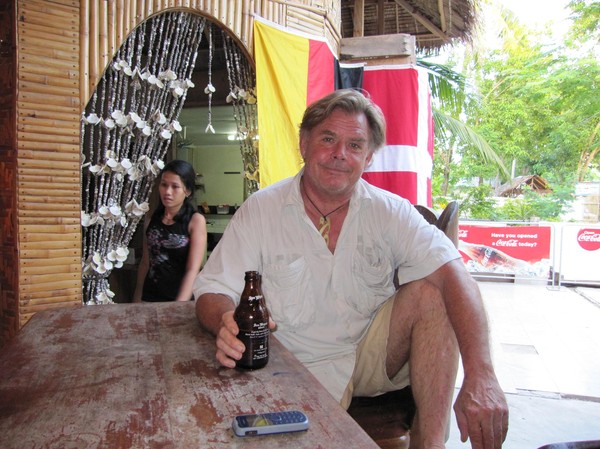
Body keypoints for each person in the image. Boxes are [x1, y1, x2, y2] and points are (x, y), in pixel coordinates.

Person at [192, 89, 508, 448]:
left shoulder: (390, 211)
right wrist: (225, 322)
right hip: (290, 362)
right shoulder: (262, 209)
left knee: (432, 290)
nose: (340, 154)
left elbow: (455, 275)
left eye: (355, 145)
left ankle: (430, 445)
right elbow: (213, 289)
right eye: (328, 139)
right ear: (304, 143)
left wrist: (482, 374)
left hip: (370, 357)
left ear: (369, 157)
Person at [133, 159, 206, 302]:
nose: (167, 192)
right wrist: (137, 297)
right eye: (164, 185)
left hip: (180, 298)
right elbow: (146, 262)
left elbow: (193, 269)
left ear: (188, 191)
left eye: (175, 187)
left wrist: (179, 305)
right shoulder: (151, 219)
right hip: (150, 297)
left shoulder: (195, 221)